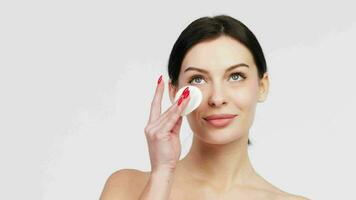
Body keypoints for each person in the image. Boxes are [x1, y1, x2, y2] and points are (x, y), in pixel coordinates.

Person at [100, 14, 309, 200]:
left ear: (262, 86)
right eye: (198, 79)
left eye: (236, 76)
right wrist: (162, 173)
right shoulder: (126, 187)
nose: (217, 98)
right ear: (175, 92)